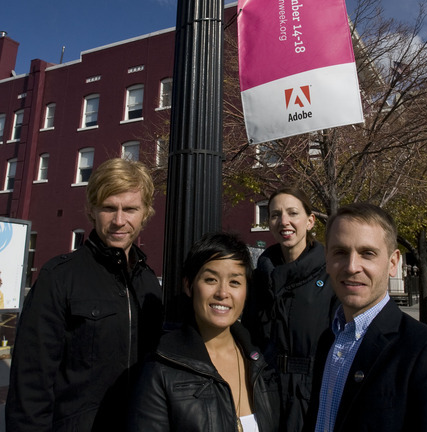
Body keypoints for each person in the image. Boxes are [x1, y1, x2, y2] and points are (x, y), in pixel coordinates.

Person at [6, 158, 163, 431]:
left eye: (130, 209)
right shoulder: (59, 277)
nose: (119, 220)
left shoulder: (149, 282)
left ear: (145, 213)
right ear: (91, 209)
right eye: (108, 208)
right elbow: (31, 385)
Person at [307, 202, 427, 432]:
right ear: (327, 258)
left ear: (393, 263)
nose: (352, 266)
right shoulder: (328, 341)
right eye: (340, 252)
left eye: (367, 253)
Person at [128, 232, 280, 432]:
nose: (222, 293)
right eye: (210, 280)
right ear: (189, 286)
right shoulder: (161, 369)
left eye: (234, 282)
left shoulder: (260, 365)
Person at [244, 187, 338, 432]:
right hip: (266, 392)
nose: (284, 221)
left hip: (313, 394)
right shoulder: (260, 278)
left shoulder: (331, 277)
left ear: (310, 220)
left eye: (292, 213)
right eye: (275, 215)